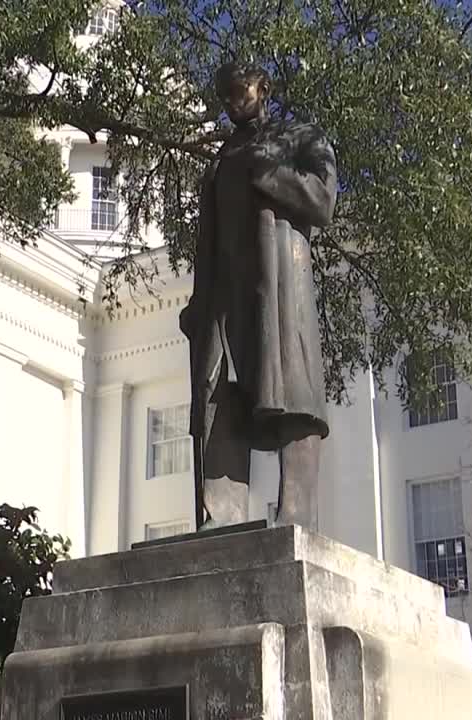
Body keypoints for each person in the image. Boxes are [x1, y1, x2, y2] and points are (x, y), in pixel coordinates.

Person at [180, 62, 338, 531]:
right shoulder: (219, 162)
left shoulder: (300, 138)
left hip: (280, 289)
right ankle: (221, 514)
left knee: (294, 394)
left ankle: (297, 515)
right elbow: (209, 238)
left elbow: (322, 200)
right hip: (225, 296)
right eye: (224, 94)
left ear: (264, 89)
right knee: (219, 395)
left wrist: (265, 171)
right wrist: (198, 302)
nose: (231, 100)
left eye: (240, 90)